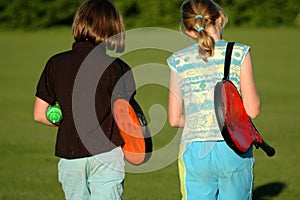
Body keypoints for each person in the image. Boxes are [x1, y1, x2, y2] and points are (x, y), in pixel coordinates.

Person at [33, 0, 136, 199]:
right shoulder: (119, 67)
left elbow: (39, 114)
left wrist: (67, 121)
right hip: (107, 153)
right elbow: (127, 117)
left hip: (70, 155)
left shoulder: (55, 63)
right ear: (113, 29)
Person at [167, 0, 261, 199]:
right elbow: (252, 110)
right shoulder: (239, 52)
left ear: (189, 31)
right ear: (220, 17)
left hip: (194, 149)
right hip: (233, 147)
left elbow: (174, 119)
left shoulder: (178, 60)